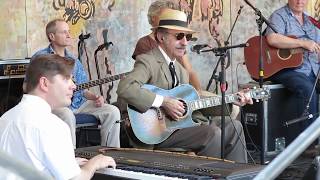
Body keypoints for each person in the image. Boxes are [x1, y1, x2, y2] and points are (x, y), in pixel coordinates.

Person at [117, 9, 252, 163]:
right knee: (212, 133)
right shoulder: (148, 61)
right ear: (161, 37)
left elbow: (191, 103)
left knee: (234, 127)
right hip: (157, 132)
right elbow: (125, 88)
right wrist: (164, 102)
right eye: (179, 36)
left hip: (181, 125)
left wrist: (232, 100)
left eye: (187, 37)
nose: (185, 42)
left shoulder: (181, 70)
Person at [0, 54, 116, 180]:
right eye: (66, 79)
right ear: (44, 83)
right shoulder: (53, 126)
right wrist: (95, 163)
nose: (74, 86)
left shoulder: (5, 119)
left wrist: (67, 164)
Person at [32, 19, 121, 148]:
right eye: (64, 32)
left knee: (112, 111)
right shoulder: (40, 58)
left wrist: (95, 97)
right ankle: (71, 159)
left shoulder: (74, 60)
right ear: (52, 36)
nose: (69, 35)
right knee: (67, 114)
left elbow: (82, 89)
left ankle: (110, 153)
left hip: (78, 104)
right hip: (55, 105)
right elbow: (28, 86)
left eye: (69, 31)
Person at [266, 0, 320, 129]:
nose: (299, 1)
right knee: (307, 88)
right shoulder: (279, 15)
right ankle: (308, 146)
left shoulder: (310, 21)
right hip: (287, 69)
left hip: (312, 70)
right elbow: (272, 38)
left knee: (309, 85)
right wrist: (302, 43)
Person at [132, 0, 201, 91]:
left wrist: (198, 92)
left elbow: (189, 70)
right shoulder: (144, 42)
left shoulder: (178, 43)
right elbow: (151, 78)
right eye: (166, 15)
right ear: (153, 17)